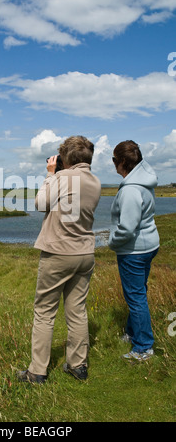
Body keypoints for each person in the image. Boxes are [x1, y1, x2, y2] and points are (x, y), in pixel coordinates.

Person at [17, 136, 101, 384]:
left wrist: (51, 174)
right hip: (84, 253)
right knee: (77, 311)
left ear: (66, 159)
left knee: (44, 312)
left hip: (58, 253)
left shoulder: (62, 178)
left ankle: (37, 371)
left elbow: (40, 203)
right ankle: (78, 365)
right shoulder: (95, 182)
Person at [109, 140, 160, 361]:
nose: (113, 165)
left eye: (113, 160)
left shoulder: (130, 190)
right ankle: (132, 333)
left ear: (121, 162)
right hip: (149, 245)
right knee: (138, 293)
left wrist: (112, 242)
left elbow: (127, 228)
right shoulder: (144, 183)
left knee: (136, 297)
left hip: (134, 251)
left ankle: (143, 348)